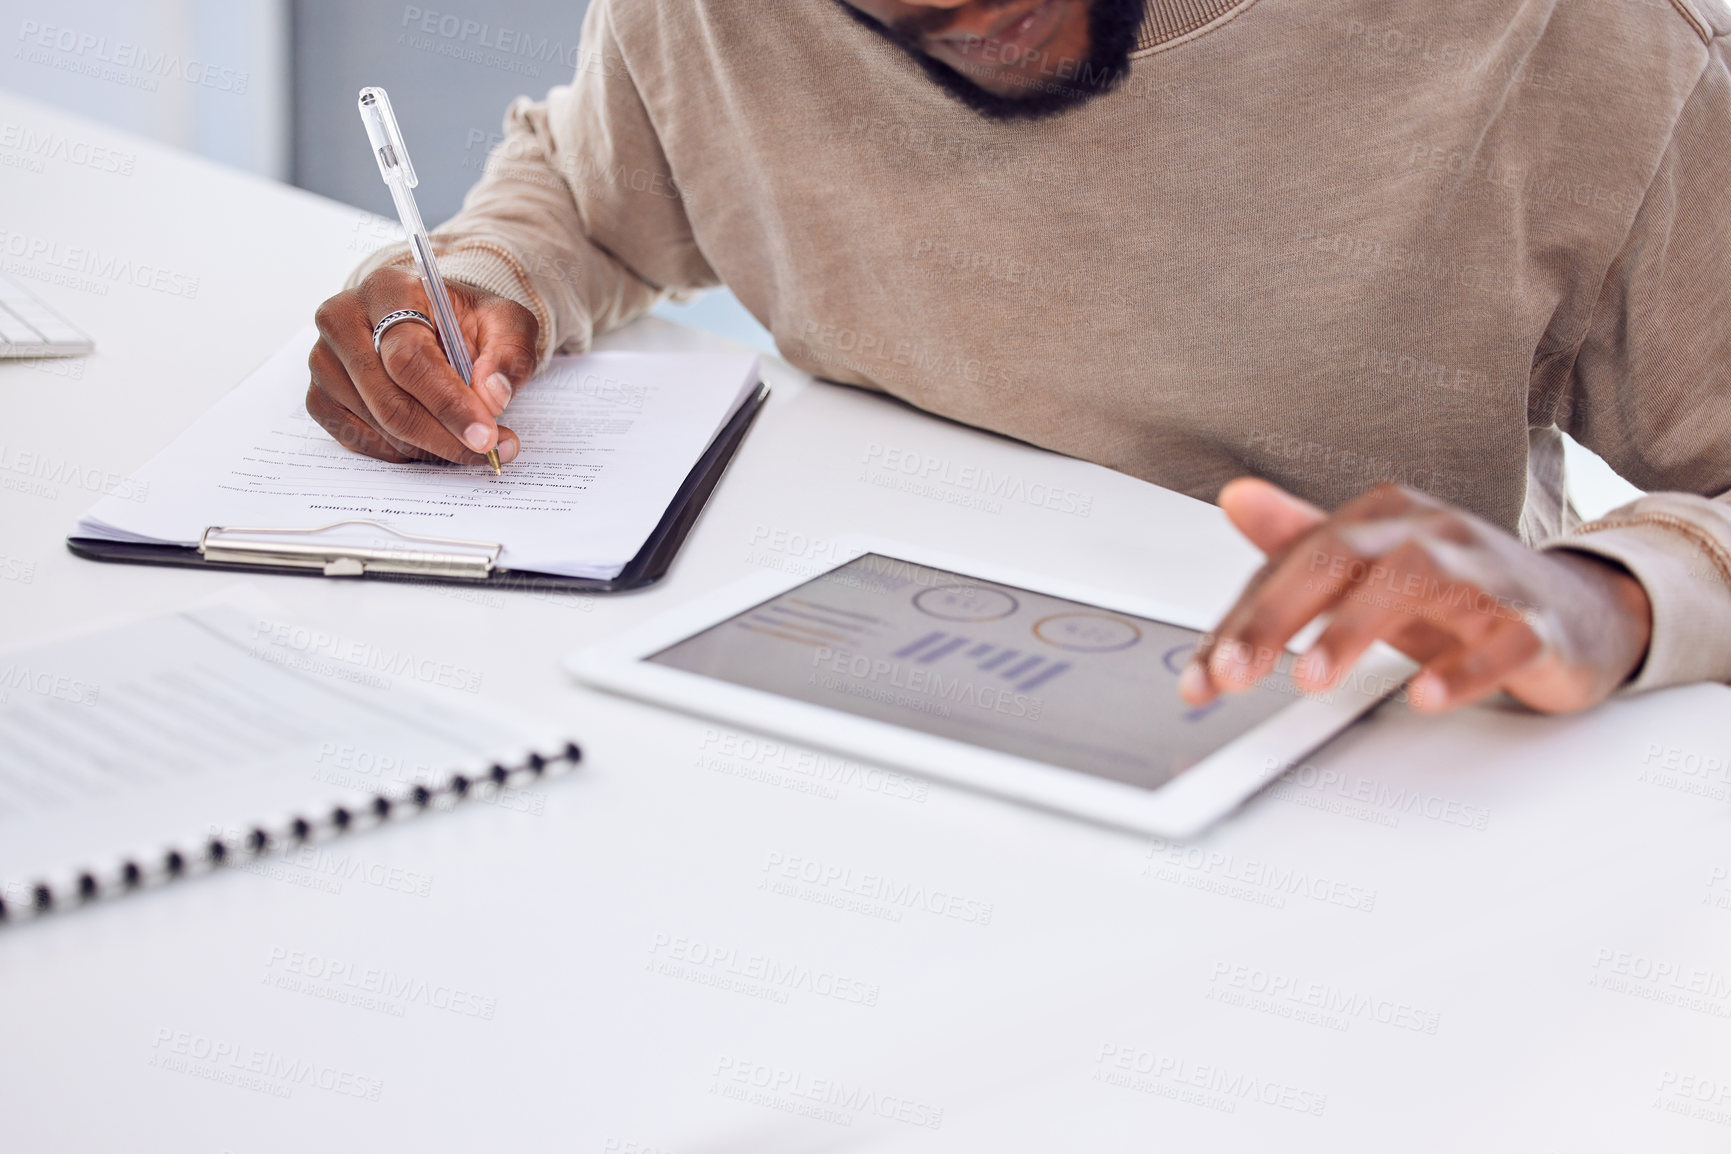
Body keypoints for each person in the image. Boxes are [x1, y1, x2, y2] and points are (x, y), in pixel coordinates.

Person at [308, 0, 1731, 715]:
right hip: (822, 716)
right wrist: (480, 286)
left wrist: (1607, 597)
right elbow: (606, 185)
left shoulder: (1582, 39)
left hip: (1365, 768)